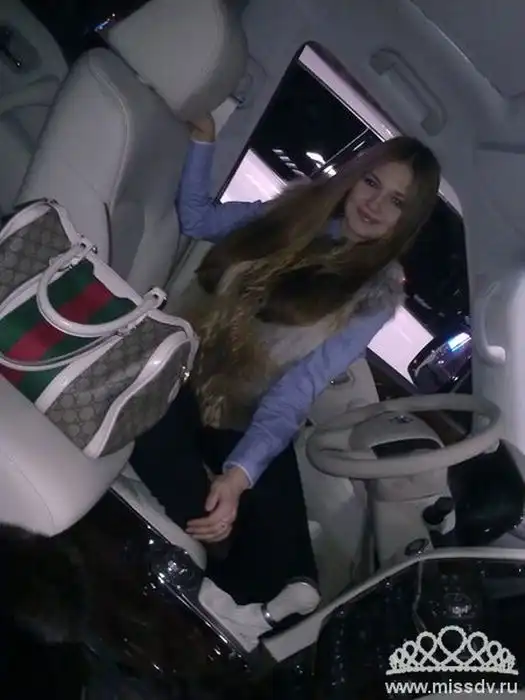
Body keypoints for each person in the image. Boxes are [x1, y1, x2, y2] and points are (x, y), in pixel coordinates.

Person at [130, 114, 441, 606]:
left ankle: (287, 587)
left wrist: (238, 475)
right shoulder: (295, 212)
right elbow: (198, 219)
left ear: (408, 219)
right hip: (173, 365)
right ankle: (227, 571)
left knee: (265, 467)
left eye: (397, 201)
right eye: (372, 182)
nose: (375, 204)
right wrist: (203, 142)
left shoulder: (373, 295)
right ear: (354, 176)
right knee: (163, 427)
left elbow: (298, 390)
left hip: (234, 408)